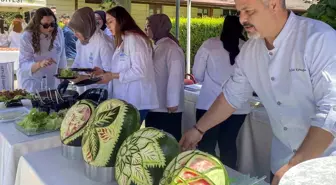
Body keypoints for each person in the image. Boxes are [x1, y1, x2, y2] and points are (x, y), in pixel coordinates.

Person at [180, 0, 336, 185]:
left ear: (273, 4)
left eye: (248, 11)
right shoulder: (250, 51)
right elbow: (231, 96)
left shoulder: (318, 38)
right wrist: (198, 130)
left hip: (324, 164)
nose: (242, 19)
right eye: (239, 12)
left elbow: (331, 109)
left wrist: (294, 166)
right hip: (281, 161)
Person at [192, 15, 250, 170]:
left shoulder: (209, 45)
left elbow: (197, 75)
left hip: (209, 104)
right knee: (228, 145)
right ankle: (230, 178)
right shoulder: (248, 47)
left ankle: (209, 177)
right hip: (238, 107)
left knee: (206, 147)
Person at [93, 6, 159, 123]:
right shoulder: (123, 39)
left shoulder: (134, 39)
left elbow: (139, 71)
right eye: (107, 22)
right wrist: (105, 73)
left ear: (121, 20)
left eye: (110, 22)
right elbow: (122, 68)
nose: (108, 25)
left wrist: (112, 76)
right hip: (126, 101)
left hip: (136, 101)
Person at [144, 14, 185, 141]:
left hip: (168, 109)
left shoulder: (171, 48)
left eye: (148, 27)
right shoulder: (157, 45)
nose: (145, 30)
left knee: (168, 144)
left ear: (157, 27)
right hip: (154, 105)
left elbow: (175, 75)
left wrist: (172, 102)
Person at [17, 7, 67, 92]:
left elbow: (62, 57)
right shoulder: (27, 36)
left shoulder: (58, 32)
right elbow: (23, 64)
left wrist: (64, 79)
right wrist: (40, 64)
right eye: (45, 25)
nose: (49, 28)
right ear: (37, 24)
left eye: (52, 24)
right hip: (33, 82)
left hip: (53, 81)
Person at [69, 7, 115, 95]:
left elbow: (110, 74)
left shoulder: (103, 42)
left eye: (77, 31)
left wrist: (84, 77)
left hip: (101, 92)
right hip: (83, 90)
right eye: (73, 31)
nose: (75, 34)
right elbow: (77, 62)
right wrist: (68, 76)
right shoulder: (80, 41)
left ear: (86, 28)